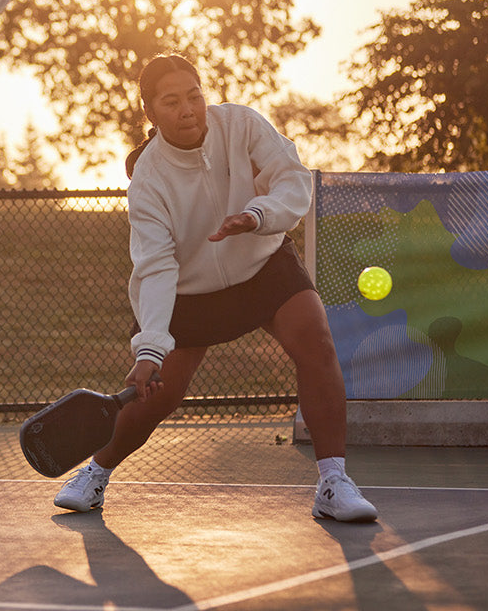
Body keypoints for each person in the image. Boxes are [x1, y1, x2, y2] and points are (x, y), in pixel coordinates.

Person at [52, 54, 378, 524]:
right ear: (151, 114)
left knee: (317, 342)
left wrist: (257, 215)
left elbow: (290, 178)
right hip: (190, 289)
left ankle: (333, 483)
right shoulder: (148, 180)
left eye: (194, 95)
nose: (188, 109)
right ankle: (96, 472)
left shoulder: (241, 125)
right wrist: (150, 349)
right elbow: (156, 266)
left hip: (262, 261)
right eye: (172, 102)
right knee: (160, 395)